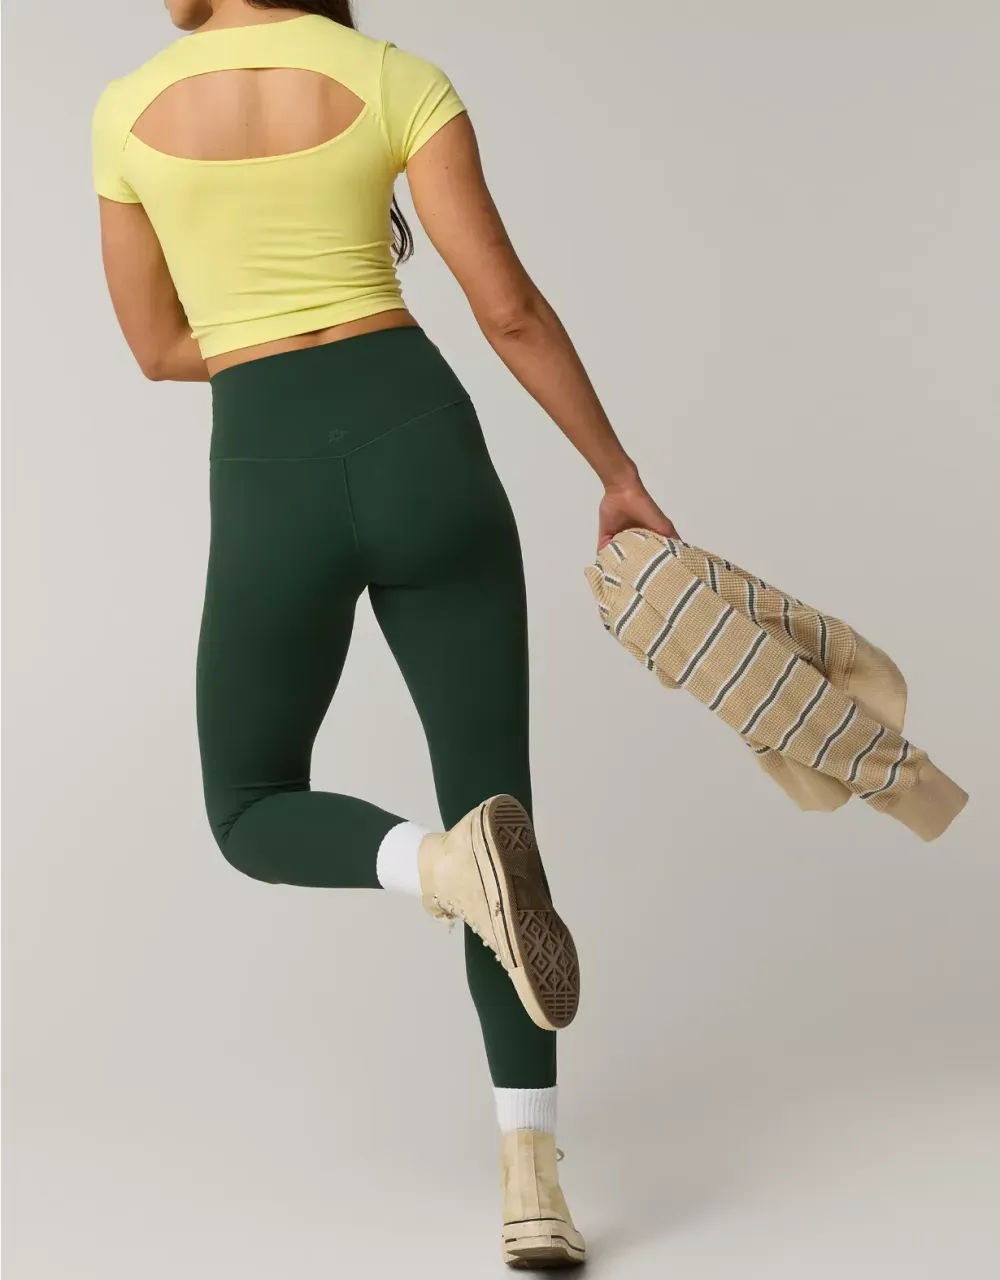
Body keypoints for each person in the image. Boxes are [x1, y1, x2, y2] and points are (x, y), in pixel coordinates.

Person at [92, 0, 678, 1266]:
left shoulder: (125, 110)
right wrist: (616, 472)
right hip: (425, 440)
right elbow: (506, 307)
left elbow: (155, 346)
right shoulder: (396, 75)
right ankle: (532, 1186)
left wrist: (262, 339)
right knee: (499, 802)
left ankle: (438, 868)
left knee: (250, 803)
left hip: (269, 470)